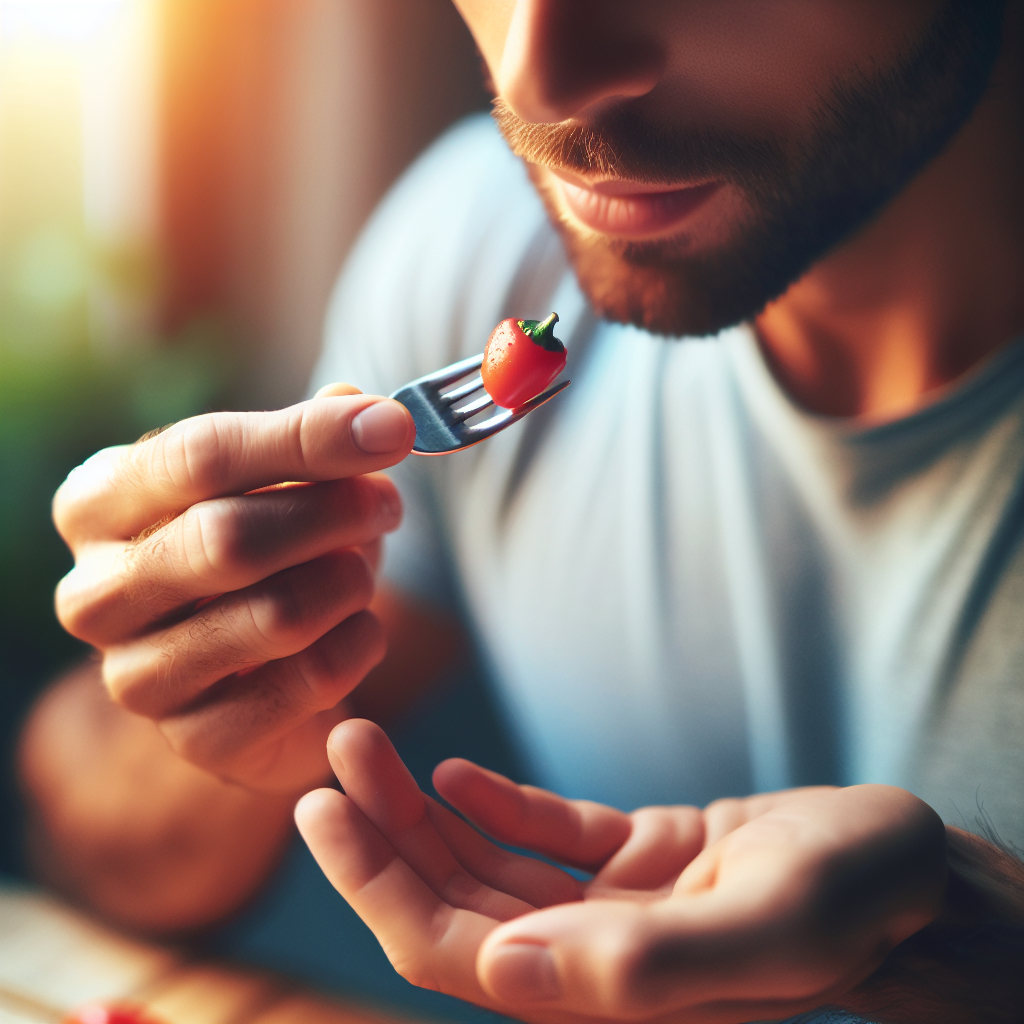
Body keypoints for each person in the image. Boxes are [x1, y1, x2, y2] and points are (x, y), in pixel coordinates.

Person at [17, 1, 1023, 1022]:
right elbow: (93, 853)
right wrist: (214, 692)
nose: (536, 76)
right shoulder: (484, 243)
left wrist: (969, 941)